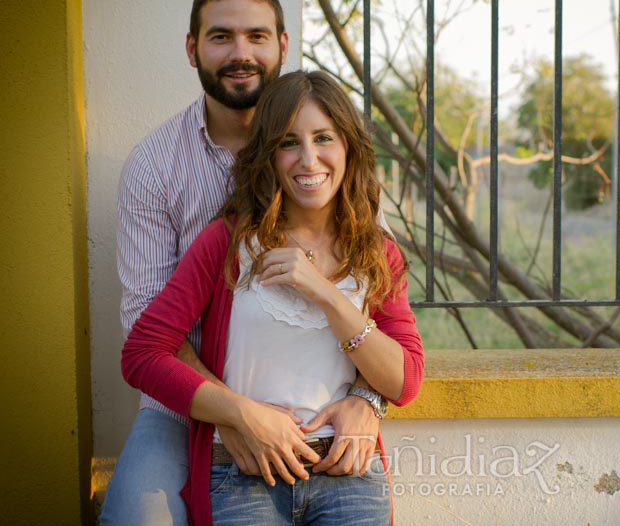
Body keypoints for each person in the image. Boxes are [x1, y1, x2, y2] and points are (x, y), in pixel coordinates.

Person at [103, 0, 387, 524]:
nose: (242, 53)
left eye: (257, 35)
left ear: (282, 43)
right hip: (182, 403)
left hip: (306, 405)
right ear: (192, 49)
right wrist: (235, 415)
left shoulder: (322, 160)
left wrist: (368, 398)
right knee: (136, 519)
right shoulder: (154, 166)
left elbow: (372, 289)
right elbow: (146, 323)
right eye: (221, 37)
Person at [121, 69, 424, 525]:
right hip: (244, 476)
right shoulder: (226, 243)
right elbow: (143, 354)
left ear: (348, 147)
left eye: (324, 138)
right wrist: (242, 415)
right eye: (288, 142)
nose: (308, 159)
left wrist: (327, 294)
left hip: (347, 473)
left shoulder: (377, 253)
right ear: (268, 154)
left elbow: (406, 381)